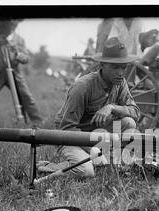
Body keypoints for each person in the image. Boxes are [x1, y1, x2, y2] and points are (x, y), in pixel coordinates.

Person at [37, 37, 140, 178]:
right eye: (115, 67)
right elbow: (67, 128)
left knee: (129, 122)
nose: (121, 73)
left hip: (95, 133)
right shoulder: (83, 86)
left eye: (123, 67)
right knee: (86, 171)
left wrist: (112, 107)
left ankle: (111, 160)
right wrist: (94, 151)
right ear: (102, 65)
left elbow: (135, 111)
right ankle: (47, 167)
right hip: (70, 137)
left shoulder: (120, 82)